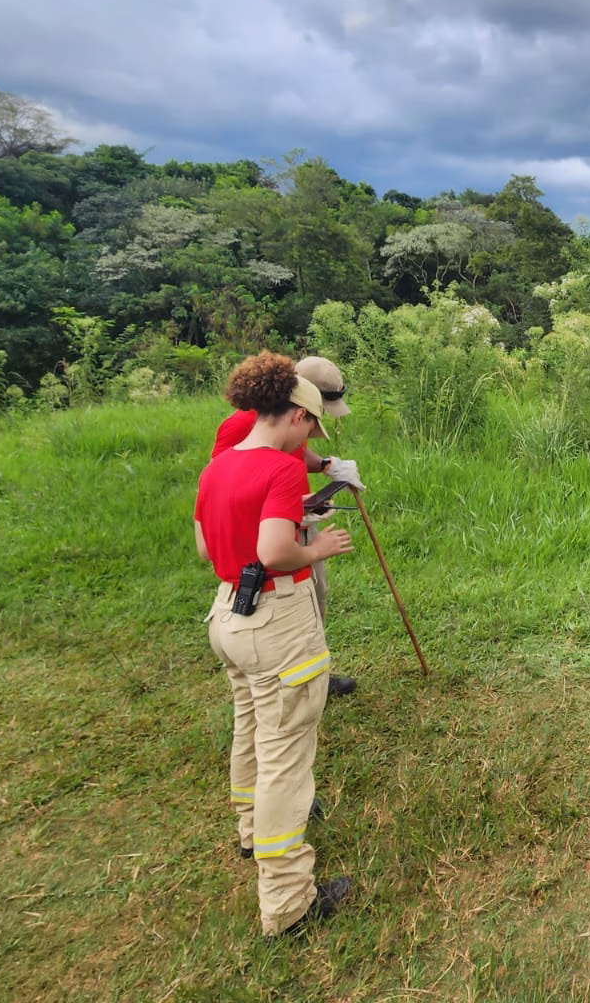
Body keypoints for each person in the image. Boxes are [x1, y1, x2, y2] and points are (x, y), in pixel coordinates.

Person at [195, 352, 356, 935]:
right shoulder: (282, 470)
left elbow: (209, 550)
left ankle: (248, 831)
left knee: (251, 725)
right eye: (310, 424)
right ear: (293, 415)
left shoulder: (218, 466)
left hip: (227, 613)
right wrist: (318, 547)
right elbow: (274, 553)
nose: (311, 436)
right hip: (276, 621)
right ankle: (287, 902)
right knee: (286, 762)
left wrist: (285, 532)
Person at [212, 355, 364, 698]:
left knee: (313, 598)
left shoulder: (291, 423)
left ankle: (313, 675)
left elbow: (296, 453)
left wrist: (327, 466)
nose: (313, 426)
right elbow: (231, 484)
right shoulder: (242, 426)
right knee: (280, 608)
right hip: (267, 540)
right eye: (317, 411)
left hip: (295, 519)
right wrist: (286, 517)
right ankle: (289, 683)